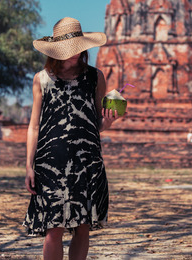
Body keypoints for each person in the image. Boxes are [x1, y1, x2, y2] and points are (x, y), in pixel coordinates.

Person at [23, 17, 120, 260]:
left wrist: (109, 121)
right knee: (53, 229)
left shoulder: (95, 77)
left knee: (82, 227)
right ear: (55, 51)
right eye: (68, 50)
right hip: (50, 163)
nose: (75, 54)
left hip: (86, 162)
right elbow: (34, 126)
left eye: (78, 49)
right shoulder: (41, 79)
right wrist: (28, 165)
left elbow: (96, 124)